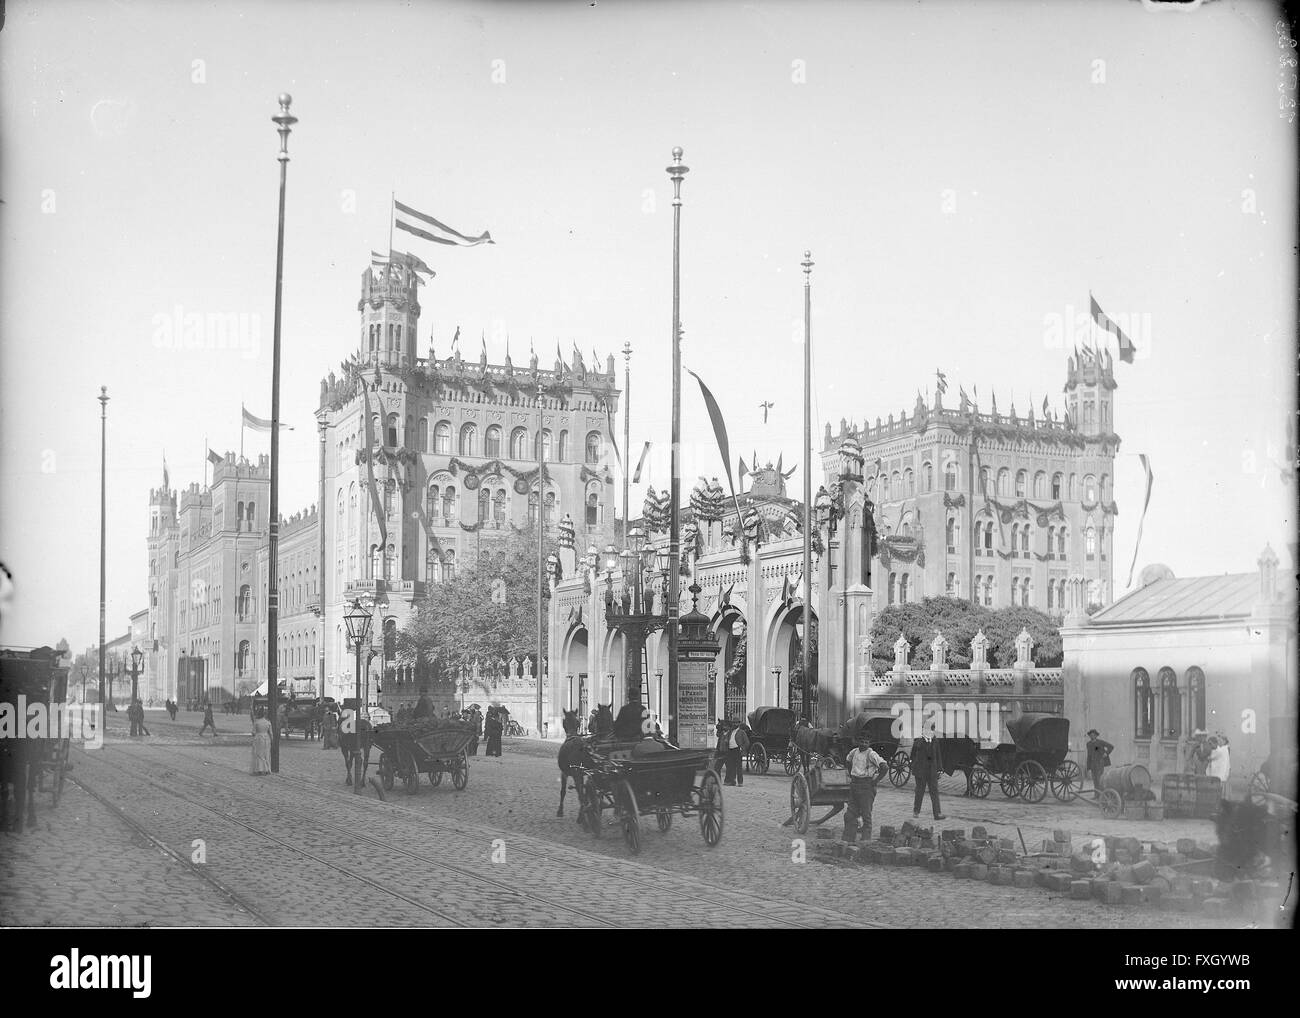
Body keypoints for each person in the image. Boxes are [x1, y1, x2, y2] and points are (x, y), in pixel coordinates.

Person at [843, 735, 887, 844]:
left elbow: (884, 767)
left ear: (869, 744)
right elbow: (847, 761)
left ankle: (865, 841)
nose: (863, 744)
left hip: (866, 787)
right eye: (861, 741)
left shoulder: (871, 754)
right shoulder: (854, 752)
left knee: (866, 815)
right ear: (858, 741)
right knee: (850, 814)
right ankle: (849, 839)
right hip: (854, 785)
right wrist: (851, 774)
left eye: (866, 742)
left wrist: (875, 781)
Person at [910, 722, 946, 821]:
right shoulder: (918, 742)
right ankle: (916, 811)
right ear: (923, 731)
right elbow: (912, 756)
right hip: (921, 772)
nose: (929, 732)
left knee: (934, 792)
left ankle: (937, 814)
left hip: (932, 772)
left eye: (931, 730)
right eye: (926, 730)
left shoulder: (935, 742)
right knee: (919, 792)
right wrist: (914, 767)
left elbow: (938, 756)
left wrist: (940, 769)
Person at [1085, 728, 1113, 794]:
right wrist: (1088, 767)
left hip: (1099, 763)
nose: (1092, 736)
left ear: (1096, 736)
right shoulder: (1088, 744)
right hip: (1092, 764)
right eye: (1090, 735)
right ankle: (1096, 795)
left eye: (1093, 735)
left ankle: (1101, 795)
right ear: (1089, 736)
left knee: (1099, 779)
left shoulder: (1100, 742)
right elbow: (1088, 756)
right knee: (1094, 780)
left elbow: (1111, 746)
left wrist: (1106, 753)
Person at [250, 708, 272, 775]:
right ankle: (267, 769)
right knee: (266, 754)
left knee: (259, 754)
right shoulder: (268, 722)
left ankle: (260, 769)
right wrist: (271, 740)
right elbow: (271, 733)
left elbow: (253, 732)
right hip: (266, 738)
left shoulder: (256, 722)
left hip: (259, 738)